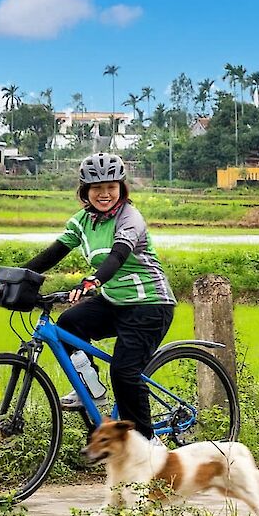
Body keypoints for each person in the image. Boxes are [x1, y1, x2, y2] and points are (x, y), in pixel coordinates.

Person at [22, 152, 177, 440]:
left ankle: (147, 446)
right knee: (68, 324)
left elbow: (118, 254)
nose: (104, 194)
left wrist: (93, 280)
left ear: (121, 188)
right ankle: (91, 390)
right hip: (115, 302)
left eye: (111, 187)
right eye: (97, 188)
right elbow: (55, 252)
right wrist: (19, 275)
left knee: (124, 373)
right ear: (85, 191)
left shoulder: (130, 217)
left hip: (149, 305)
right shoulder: (83, 221)